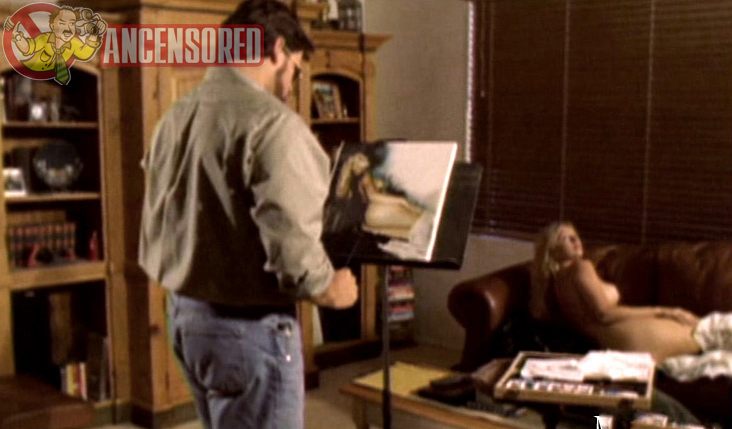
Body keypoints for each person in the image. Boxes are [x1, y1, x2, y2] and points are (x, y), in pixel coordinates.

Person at [138, 1, 358, 428]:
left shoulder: (175, 116)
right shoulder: (273, 125)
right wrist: (331, 289)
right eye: (295, 70)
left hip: (186, 317)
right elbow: (294, 251)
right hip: (247, 329)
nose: (291, 86)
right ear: (276, 50)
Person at [531, 222, 732, 365]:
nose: (577, 241)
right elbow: (604, 314)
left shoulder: (556, 283)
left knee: (714, 336)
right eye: (567, 238)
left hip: (613, 343)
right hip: (633, 338)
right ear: (553, 249)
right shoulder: (581, 267)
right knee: (713, 333)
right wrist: (664, 311)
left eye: (576, 236)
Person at [332, 151, 423, 240]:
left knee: (416, 232)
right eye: (360, 158)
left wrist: (401, 201)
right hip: (375, 211)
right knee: (422, 224)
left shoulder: (357, 176)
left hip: (369, 219)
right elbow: (373, 196)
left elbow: (372, 196)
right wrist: (400, 201)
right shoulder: (345, 184)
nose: (365, 160)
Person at [4, 6, 106, 84]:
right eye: (62, 24)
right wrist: (19, 39)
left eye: (71, 24)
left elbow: (85, 53)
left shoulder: (73, 43)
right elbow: (28, 48)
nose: (67, 29)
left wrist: (94, 34)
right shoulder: (45, 38)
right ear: (53, 26)